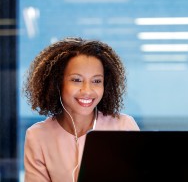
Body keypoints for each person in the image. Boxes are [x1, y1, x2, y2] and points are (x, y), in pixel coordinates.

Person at [23, 37, 140, 182]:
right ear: (57, 83)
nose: (87, 90)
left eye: (96, 81)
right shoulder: (38, 136)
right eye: (77, 80)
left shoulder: (124, 127)